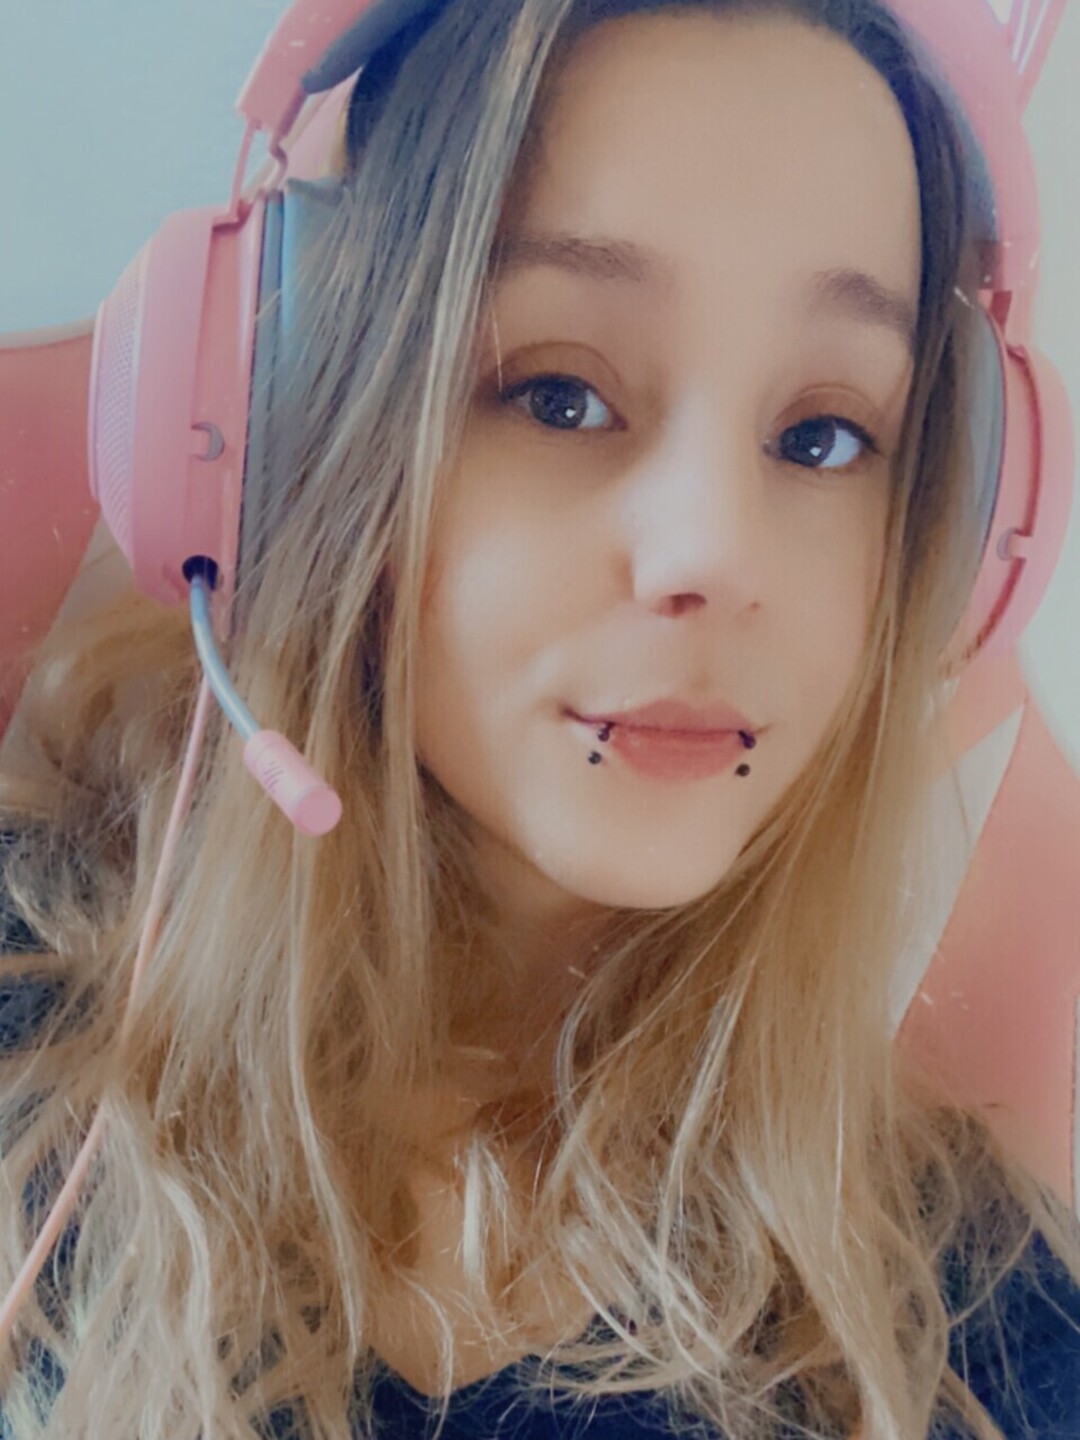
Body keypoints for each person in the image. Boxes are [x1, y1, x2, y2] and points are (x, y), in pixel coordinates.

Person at [0, 0, 1078, 1436]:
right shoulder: (31, 1057)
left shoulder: (983, 1348)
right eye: (559, 394)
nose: (713, 552)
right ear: (292, 422)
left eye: (825, 436)